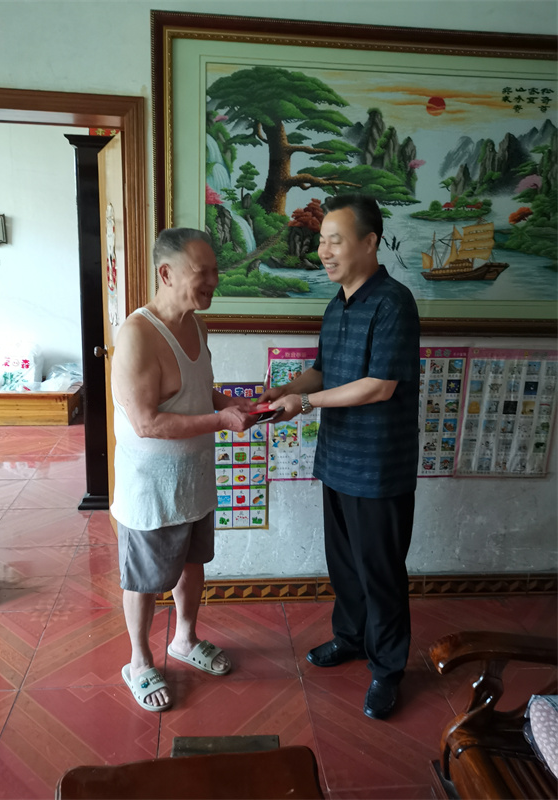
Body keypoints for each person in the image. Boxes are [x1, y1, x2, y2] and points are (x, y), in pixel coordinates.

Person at [260, 194, 420, 720]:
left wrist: (305, 404)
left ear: (370, 242)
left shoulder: (394, 303)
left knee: (380, 571)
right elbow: (324, 371)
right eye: (322, 241)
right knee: (345, 563)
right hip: (337, 458)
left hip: (378, 465)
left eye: (336, 240)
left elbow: (378, 385)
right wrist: (283, 392)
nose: (324, 251)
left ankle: (387, 669)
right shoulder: (337, 304)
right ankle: (350, 638)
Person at [111, 228, 254, 712]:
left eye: (216, 271)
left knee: (193, 564)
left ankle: (185, 639)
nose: (214, 280)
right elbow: (146, 422)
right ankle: (138, 660)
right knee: (144, 579)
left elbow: (195, 388)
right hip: (150, 488)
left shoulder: (197, 325)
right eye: (203, 272)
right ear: (166, 273)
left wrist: (226, 401)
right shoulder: (137, 334)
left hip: (195, 478)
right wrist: (220, 420)